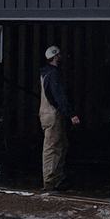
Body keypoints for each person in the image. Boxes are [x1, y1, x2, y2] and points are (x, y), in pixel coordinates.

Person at [39, 45, 79, 192]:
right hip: (53, 114)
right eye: (59, 55)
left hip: (46, 113)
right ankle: (50, 182)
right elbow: (58, 95)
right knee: (52, 147)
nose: (61, 57)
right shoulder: (54, 74)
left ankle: (57, 179)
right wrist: (71, 113)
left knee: (60, 145)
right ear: (56, 57)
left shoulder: (45, 73)